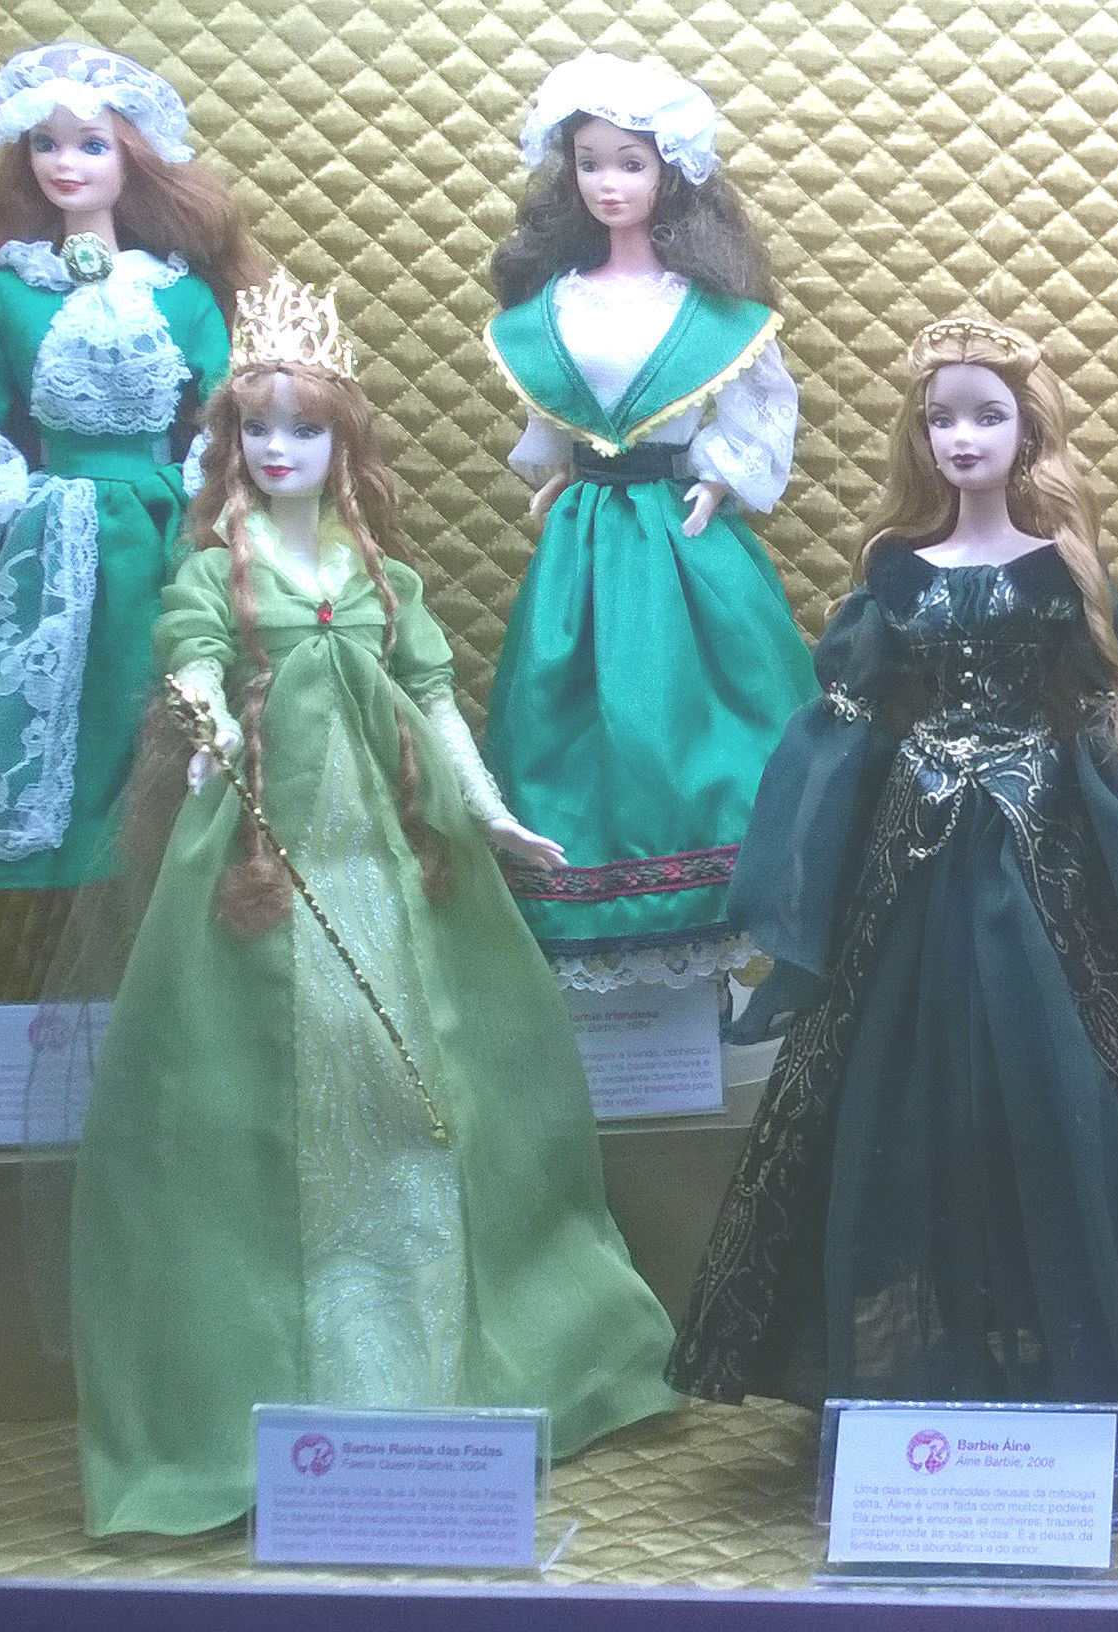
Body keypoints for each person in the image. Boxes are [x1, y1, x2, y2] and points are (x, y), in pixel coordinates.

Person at [65, 274, 674, 1535]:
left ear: (345, 444)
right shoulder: (219, 571)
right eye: (258, 429)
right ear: (232, 443)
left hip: (398, 860)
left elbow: (435, 702)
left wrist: (491, 814)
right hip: (264, 859)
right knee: (268, 1087)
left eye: (305, 428)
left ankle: (435, 1363)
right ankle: (295, 1383)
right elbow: (191, 666)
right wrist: (201, 727)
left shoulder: (381, 575)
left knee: (423, 1083)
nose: (280, 449)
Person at [667, 320, 1118, 1523]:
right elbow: (842, 725)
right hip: (916, 856)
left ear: (1029, 430)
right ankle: (926, 1360)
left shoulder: (1060, 572)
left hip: (1040, 857)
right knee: (900, 1083)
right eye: (942, 418)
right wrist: (799, 864)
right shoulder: (896, 571)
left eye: (987, 415)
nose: (964, 437)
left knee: (1059, 1079)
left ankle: (1073, 1347)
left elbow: (1103, 707)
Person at [0, 43, 250, 887]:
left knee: (159, 682)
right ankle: (72, 859)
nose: (64, 163)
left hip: (161, 520)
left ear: (135, 160)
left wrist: (227, 504)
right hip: (51, 533)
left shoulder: (179, 293)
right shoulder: (9, 289)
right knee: (53, 693)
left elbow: (227, 414)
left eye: (91, 145)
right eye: (45, 144)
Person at [483, 51, 816, 988]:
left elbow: (757, 403)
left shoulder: (707, 309)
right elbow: (555, 408)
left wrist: (720, 479)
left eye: (630, 163)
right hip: (586, 534)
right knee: (570, 706)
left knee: (696, 710)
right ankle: (592, 899)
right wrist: (556, 470)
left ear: (671, 172)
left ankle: (710, 897)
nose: (609, 183)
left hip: (682, 533)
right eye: (590, 162)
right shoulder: (557, 303)